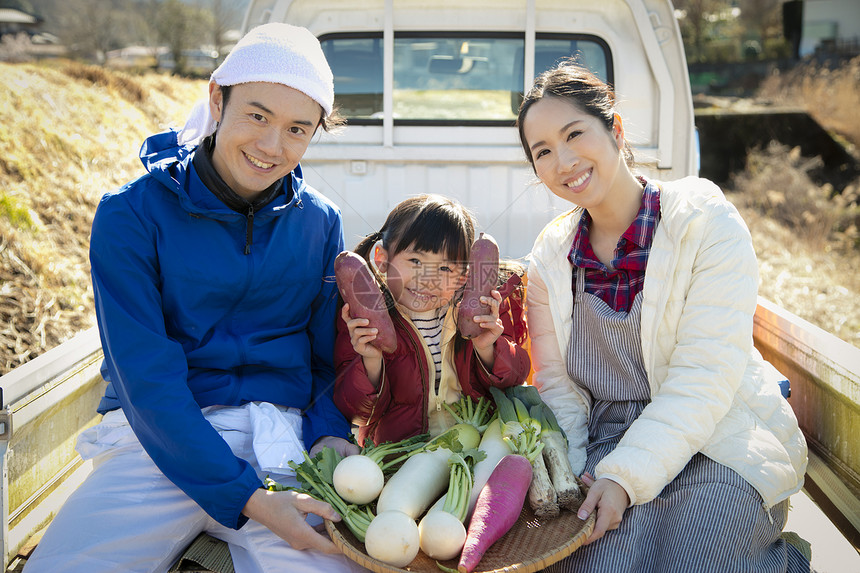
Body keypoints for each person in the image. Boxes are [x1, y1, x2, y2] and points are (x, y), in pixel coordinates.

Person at [25, 23, 368, 573]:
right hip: (157, 443)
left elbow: (325, 357)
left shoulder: (320, 223)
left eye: (298, 129)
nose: (271, 147)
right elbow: (147, 380)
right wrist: (252, 502)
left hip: (278, 437)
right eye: (257, 116)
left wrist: (328, 432)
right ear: (217, 98)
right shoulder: (130, 215)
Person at [517, 62, 811, 572]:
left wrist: (628, 478)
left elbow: (706, 374)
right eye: (542, 151)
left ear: (616, 129)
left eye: (574, 134)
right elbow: (559, 387)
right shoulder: (550, 256)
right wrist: (579, 474)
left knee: (698, 558)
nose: (563, 161)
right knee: (589, 561)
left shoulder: (703, 221)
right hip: (606, 438)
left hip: (717, 432)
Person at [334, 194, 531, 444]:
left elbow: (515, 380)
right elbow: (356, 412)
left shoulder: (485, 311)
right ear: (382, 260)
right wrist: (371, 361)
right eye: (415, 260)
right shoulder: (361, 321)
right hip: (401, 455)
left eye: (445, 268)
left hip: (477, 449)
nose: (427, 279)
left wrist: (488, 349)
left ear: (463, 276)